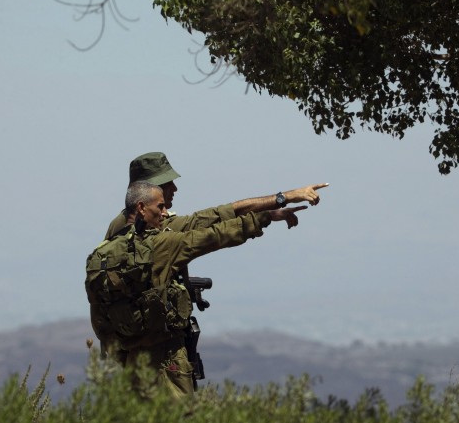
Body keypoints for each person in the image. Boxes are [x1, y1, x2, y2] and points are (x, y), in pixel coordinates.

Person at [118, 181, 315, 398]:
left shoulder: (108, 247)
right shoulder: (162, 242)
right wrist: (265, 216)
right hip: (164, 353)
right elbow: (215, 234)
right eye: (160, 205)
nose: (165, 213)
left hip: (127, 354)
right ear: (141, 207)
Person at [104, 151, 328, 239]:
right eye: (167, 184)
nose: (174, 189)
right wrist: (284, 197)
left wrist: (271, 211)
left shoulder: (127, 224)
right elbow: (218, 218)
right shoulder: (139, 231)